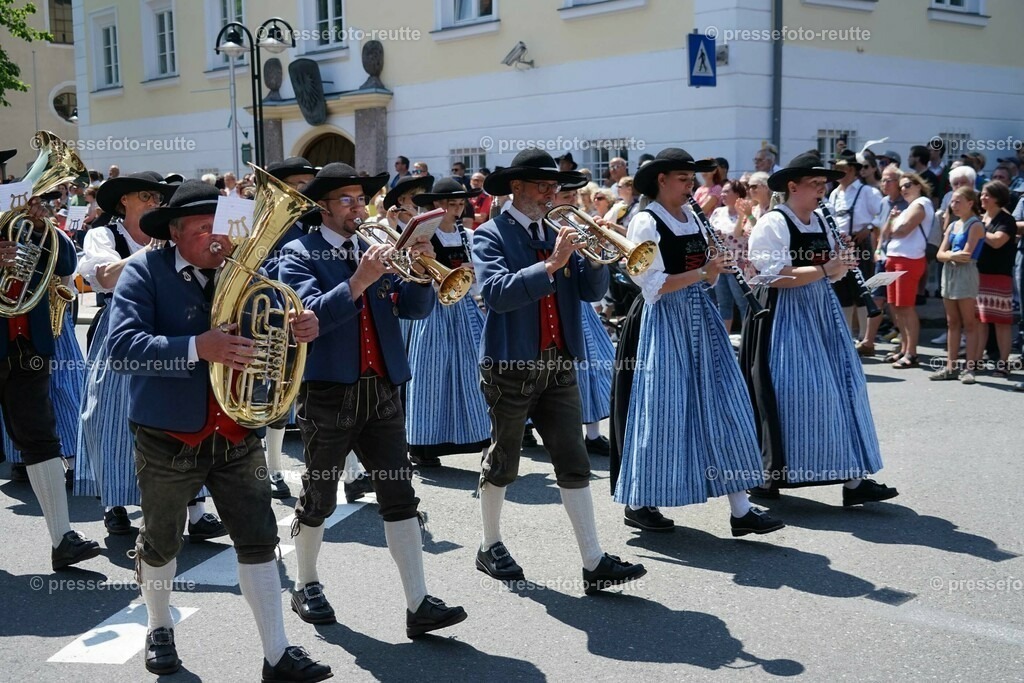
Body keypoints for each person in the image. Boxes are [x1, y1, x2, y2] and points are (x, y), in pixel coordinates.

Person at [106, 180, 331, 680]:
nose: (218, 239)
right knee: (161, 541)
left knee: (258, 538)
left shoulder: (249, 273)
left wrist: (300, 332)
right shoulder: (145, 271)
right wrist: (194, 347)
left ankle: (276, 652)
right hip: (168, 433)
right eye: (204, 228)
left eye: (224, 228)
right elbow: (122, 348)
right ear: (176, 233)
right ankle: (159, 627)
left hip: (236, 429)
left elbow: (274, 335)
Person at [278, 163, 467, 637]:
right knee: (319, 496)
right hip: (329, 390)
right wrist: (359, 280)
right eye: (347, 199)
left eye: (361, 198)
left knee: (400, 496)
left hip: (382, 388)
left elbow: (418, 310)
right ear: (322, 206)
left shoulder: (374, 247)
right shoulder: (298, 253)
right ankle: (306, 583)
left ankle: (419, 602)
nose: (359, 207)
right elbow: (309, 321)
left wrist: (423, 270)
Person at [472, 149, 646, 593]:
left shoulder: (560, 230)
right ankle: (490, 544)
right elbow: (495, 293)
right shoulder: (489, 235)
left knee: (574, 460)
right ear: (517, 188)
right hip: (511, 362)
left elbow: (590, 291)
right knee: (505, 459)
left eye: (556, 187)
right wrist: (552, 262)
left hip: (559, 361)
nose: (554, 194)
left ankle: (593, 560)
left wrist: (595, 254)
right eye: (543, 186)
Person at [612, 148, 784, 536]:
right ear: (661, 180)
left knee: (725, 402)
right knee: (665, 411)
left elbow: (705, 280)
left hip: (701, 317)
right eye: (683, 179)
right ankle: (640, 501)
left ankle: (741, 508)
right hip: (666, 322)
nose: (692, 186)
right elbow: (652, 287)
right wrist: (703, 271)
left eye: (692, 179)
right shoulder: (645, 221)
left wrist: (716, 270)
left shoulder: (691, 217)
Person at [740, 152, 899, 507]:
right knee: (790, 391)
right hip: (782, 313)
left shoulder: (822, 222)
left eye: (823, 184)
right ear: (792, 187)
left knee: (845, 385)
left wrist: (842, 265)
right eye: (814, 184)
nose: (822, 190)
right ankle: (769, 473)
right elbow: (774, 277)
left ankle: (855, 479)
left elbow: (832, 271)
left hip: (820, 309)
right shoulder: (773, 223)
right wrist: (827, 269)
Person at [76, 172, 226, 538]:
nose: (155, 202)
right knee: (109, 416)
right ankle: (115, 505)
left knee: (187, 409)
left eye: (160, 198)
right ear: (124, 201)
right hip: (126, 322)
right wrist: (153, 249)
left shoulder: (173, 237)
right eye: (146, 196)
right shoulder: (104, 234)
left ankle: (197, 511)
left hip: (176, 321)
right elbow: (105, 277)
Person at [0, 193, 100, 571]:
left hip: (27, 342)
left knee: (42, 438)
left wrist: (45, 229)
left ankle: (63, 539)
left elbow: (68, 264)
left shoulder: (20, 222)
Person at [405, 177, 491, 467]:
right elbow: (415, 275)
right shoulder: (424, 237)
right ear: (437, 205)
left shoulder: (467, 234)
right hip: (434, 310)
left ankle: (482, 438)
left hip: (465, 308)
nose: (457, 209)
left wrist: (472, 272)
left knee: (473, 372)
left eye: (459, 203)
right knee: (431, 372)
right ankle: (424, 444)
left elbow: (479, 277)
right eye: (451, 204)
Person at [260, 156, 319, 501]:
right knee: (280, 396)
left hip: (318, 317)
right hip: (280, 320)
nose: (304, 193)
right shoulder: (267, 224)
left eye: (307, 187)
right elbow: (256, 266)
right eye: (298, 187)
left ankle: (354, 471)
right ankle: (272, 469)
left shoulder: (314, 223)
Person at [551, 180, 614, 455]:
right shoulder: (547, 226)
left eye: (573, 195)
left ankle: (592, 433)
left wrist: (596, 244)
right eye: (566, 195)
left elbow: (590, 274)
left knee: (594, 367)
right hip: (553, 303)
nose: (572, 200)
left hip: (581, 306)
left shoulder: (576, 222)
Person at [930, 187, 986, 383]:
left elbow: (966, 255)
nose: (954, 206)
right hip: (950, 273)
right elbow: (939, 254)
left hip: (966, 273)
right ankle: (950, 366)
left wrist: (950, 256)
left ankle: (969, 368)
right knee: (952, 322)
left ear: (971, 203)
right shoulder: (953, 226)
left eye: (958, 201)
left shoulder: (976, 225)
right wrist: (951, 256)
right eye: (952, 202)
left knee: (969, 322)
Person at [880, 172, 934, 369]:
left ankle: (912, 352)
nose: (904, 189)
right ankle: (903, 348)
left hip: (909, 259)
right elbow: (885, 233)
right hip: (895, 257)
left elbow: (902, 230)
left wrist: (893, 225)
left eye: (909, 184)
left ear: (919, 186)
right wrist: (893, 224)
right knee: (895, 307)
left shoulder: (922, 203)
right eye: (902, 186)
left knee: (906, 307)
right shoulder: (908, 207)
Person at [977, 180, 1017, 380]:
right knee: (981, 321)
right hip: (980, 275)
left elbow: (997, 241)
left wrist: (979, 229)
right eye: (983, 194)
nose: (983, 198)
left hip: (999, 276)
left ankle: (1003, 362)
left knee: (1001, 322)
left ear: (998, 198)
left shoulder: (1006, 219)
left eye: (988, 195)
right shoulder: (981, 217)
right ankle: (976, 360)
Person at [708, 179, 755, 332]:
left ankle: (747, 340)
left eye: (727, 191)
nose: (722, 194)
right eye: (722, 191)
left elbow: (738, 234)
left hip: (738, 264)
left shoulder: (748, 212)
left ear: (738, 194)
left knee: (743, 304)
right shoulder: (717, 212)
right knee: (723, 304)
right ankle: (725, 340)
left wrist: (742, 216)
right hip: (721, 264)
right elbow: (709, 233)